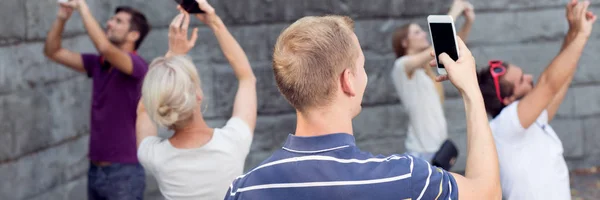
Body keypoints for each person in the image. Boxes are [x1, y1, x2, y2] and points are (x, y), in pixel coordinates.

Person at [225, 15, 501, 200]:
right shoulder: (403, 177)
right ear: (348, 81)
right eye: (362, 67)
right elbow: (487, 192)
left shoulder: (243, 189)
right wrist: (470, 91)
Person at [135, 1, 257, 199]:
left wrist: (173, 53)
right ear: (198, 96)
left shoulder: (154, 157)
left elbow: (142, 110)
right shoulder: (233, 142)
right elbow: (247, 78)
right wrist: (215, 22)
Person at [476, 1, 596, 199]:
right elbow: (548, 84)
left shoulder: (528, 121)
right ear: (507, 99)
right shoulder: (505, 126)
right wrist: (583, 35)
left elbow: (559, 81)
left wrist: (573, 31)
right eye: (521, 80)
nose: (530, 77)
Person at [43, 0, 150, 199]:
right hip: (95, 169)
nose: (109, 23)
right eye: (111, 19)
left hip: (124, 173)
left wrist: (82, 7)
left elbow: (105, 48)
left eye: (118, 21)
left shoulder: (137, 65)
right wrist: (61, 18)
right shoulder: (98, 64)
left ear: (133, 35)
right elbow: (53, 51)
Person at [390, 0, 475, 164]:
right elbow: (440, 44)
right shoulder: (401, 67)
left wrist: (468, 22)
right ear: (404, 42)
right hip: (421, 153)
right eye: (416, 32)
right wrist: (454, 12)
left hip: (437, 149)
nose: (423, 34)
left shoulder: (424, 70)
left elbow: (451, 47)